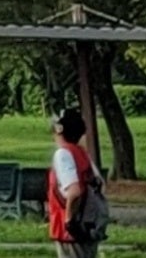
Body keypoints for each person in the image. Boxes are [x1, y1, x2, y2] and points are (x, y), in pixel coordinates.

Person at [47, 106, 109, 250]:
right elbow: (99, 184)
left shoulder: (63, 154)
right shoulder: (81, 153)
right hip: (88, 226)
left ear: (59, 130)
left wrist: (69, 221)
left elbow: (74, 191)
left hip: (71, 232)